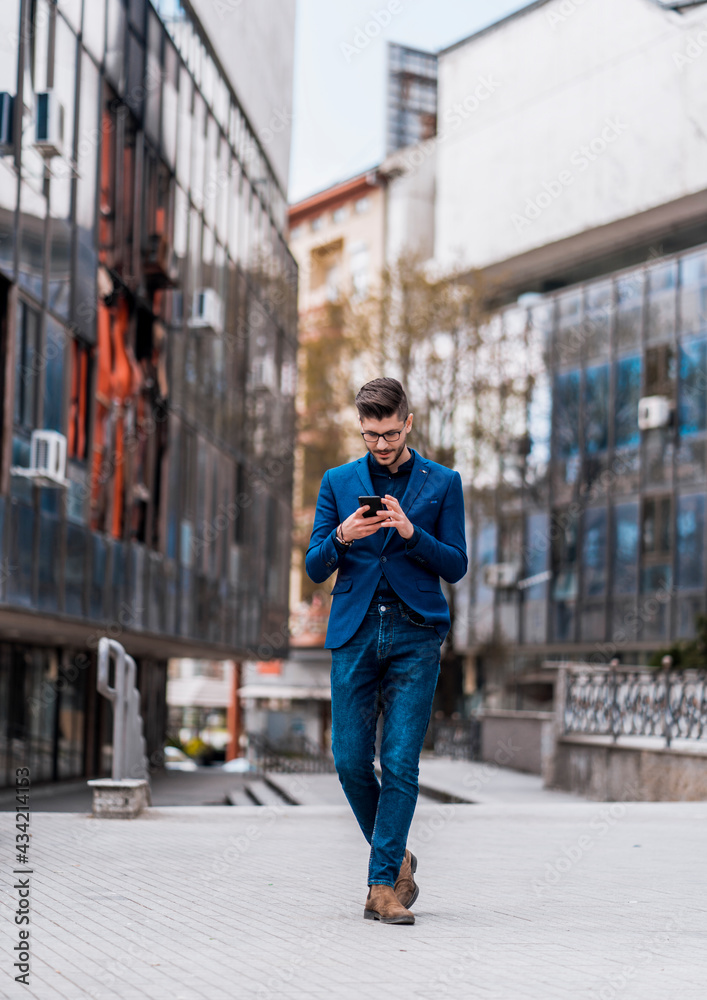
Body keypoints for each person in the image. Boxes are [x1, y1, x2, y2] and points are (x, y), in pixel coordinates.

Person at [305, 377, 468, 925]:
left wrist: (410, 532)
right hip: (352, 631)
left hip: (415, 631)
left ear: (409, 423)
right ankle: (397, 856)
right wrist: (344, 535)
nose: (382, 444)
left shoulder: (443, 483)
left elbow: (456, 565)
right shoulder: (337, 481)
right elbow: (314, 566)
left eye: (392, 433)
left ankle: (381, 888)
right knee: (350, 760)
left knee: (399, 761)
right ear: (361, 426)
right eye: (372, 434)